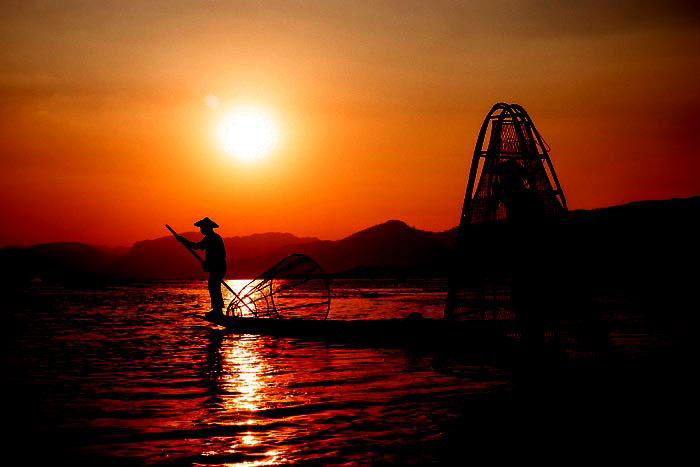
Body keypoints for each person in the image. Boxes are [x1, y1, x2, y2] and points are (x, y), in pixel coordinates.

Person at [176, 217, 227, 317]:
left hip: (218, 267)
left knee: (214, 286)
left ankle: (218, 311)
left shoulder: (212, 238)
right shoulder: (213, 237)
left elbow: (196, 246)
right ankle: (217, 310)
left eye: (202, 228)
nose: (201, 230)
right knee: (213, 286)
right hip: (218, 267)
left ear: (207, 228)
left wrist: (183, 240)